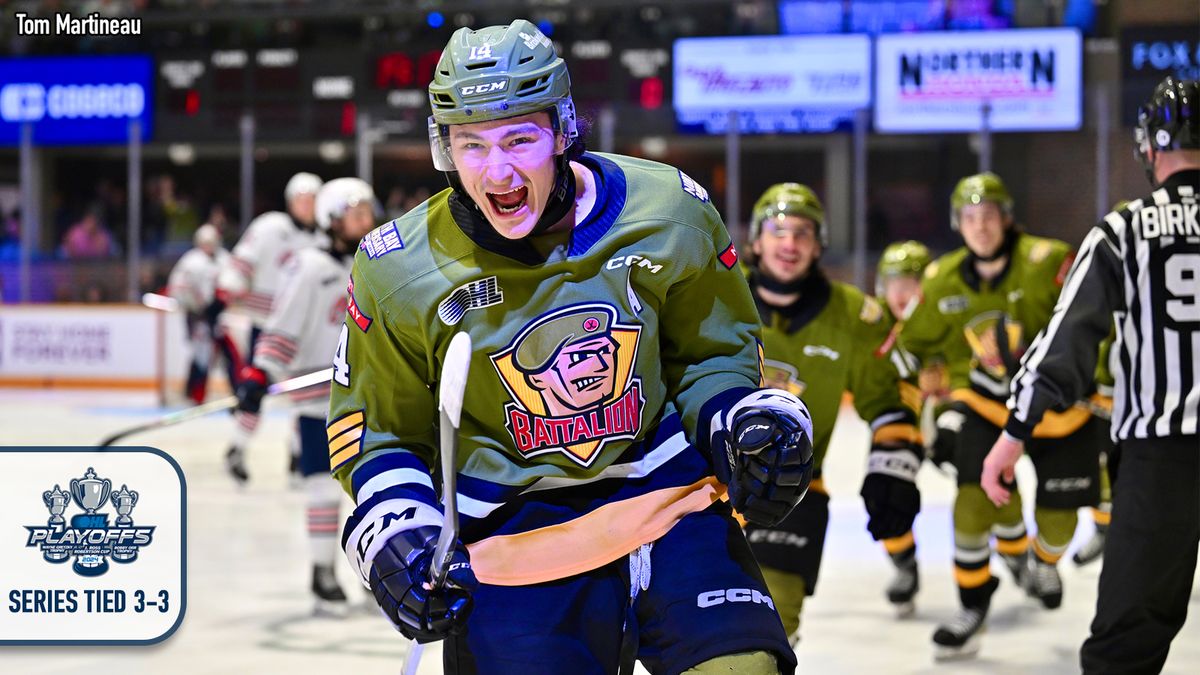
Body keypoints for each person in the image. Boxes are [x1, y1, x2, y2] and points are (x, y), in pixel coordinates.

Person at [328, 20, 812, 674]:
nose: (495, 170)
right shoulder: (396, 271)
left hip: (668, 503)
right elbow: (379, 430)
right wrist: (393, 524)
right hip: (511, 537)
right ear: (444, 146)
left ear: (561, 130)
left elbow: (711, 353)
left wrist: (740, 418)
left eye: (519, 139)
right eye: (470, 144)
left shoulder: (669, 212)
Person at [983, 76, 1199, 675]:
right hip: (1158, 452)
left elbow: (1063, 345)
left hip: (1162, 455)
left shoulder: (1125, 229)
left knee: (1128, 640)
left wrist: (1013, 431)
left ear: (1149, 148)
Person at [899, 171, 1105, 659]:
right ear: (958, 224)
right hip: (986, 406)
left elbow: (1093, 324)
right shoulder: (941, 277)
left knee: (1058, 524)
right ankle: (972, 606)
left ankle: (1041, 559)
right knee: (970, 503)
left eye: (989, 215)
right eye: (970, 217)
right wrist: (931, 370)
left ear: (1007, 219)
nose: (981, 226)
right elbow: (910, 344)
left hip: (1061, 405)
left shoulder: (1048, 260)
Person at [739, 185, 924, 644]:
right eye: (778, 229)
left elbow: (889, 397)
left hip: (792, 488)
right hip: (697, 486)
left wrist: (893, 470)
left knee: (770, 628)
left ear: (819, 244)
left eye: (803, 232)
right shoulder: (710, 294)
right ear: (755, 241)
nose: (790, 243)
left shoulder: (856, 317)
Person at [234, 177, 378, 613]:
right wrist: (260, 373)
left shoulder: (376, 263)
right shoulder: (309, 266)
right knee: (321, 488)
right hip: (320, 403)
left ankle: (378, 571)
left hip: (370, 399)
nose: (366, 221)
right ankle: (321, 573)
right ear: (332, 220)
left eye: (368, 213)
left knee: (375, 489)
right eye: (356, 215)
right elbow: (284, 325)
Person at [214, 171, 324, 483]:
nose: (307, 206)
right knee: (255, 391)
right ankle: (237, 447)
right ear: (291, 201)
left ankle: (298, 452)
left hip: (307, 332)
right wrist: (228, 288)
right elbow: (239, 265)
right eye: (301, 199)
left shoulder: (321, 238)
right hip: (268, 328)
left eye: (312, 200)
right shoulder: (270, 227)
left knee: (308, 397)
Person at [167, 224, 236, 404]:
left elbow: (236, 283)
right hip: (199, 317)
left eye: (211, 242)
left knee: (230, 355)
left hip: (221, 315)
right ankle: (194, 395)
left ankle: (238, 393)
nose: (209, 245)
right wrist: (194, 306)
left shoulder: (224, 259)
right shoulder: (190, 261)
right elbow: (178, 288)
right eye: (205, 242)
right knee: (201, 355)